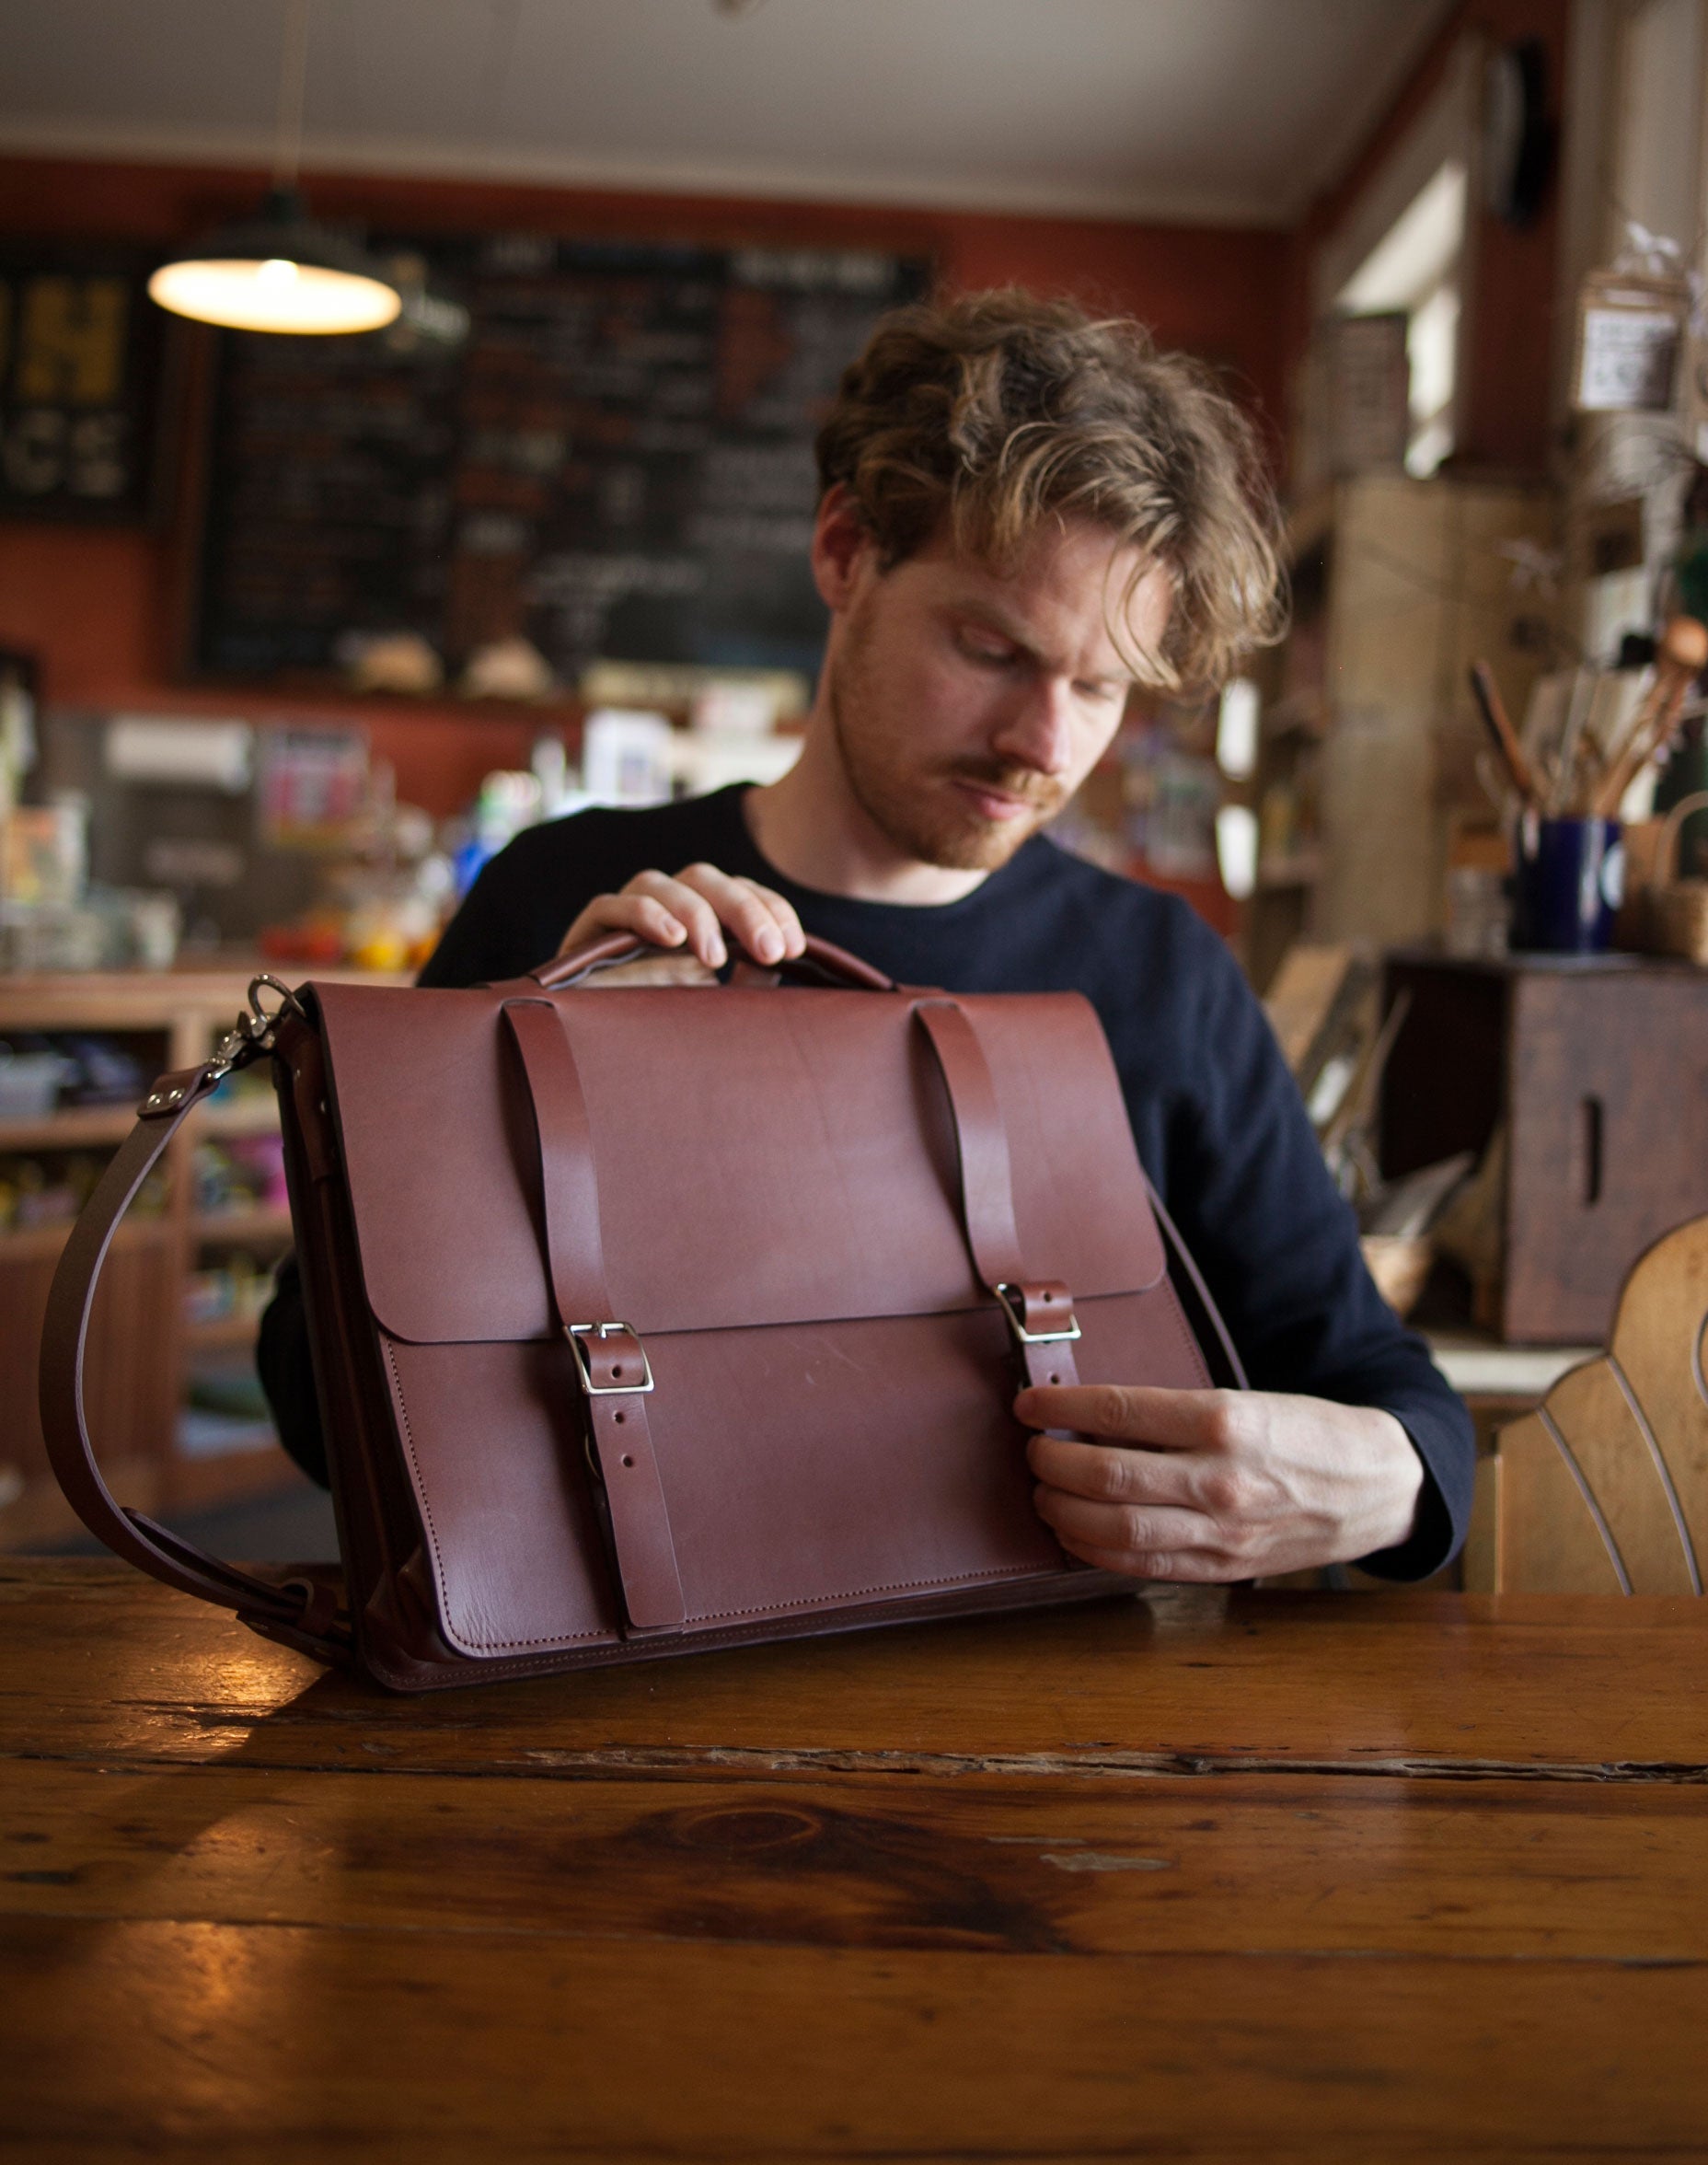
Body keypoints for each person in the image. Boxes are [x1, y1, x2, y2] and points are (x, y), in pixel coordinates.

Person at [260, 289, 1471, 1584]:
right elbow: (312, 1402)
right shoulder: (564, 896)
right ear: (845, 551)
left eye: (1104, 687)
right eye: (991, 648)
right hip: (617, 1689)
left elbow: (1386, 1394)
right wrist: (539, 1085)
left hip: (1057, 1718)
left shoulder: (1163, 978)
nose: (1047, 746)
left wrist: (1387, 1484)